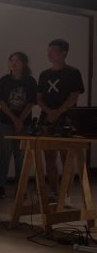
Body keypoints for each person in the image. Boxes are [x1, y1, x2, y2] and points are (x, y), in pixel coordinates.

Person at [37, 39, 84, 198]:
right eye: (48, 49)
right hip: (47, 119)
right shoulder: (44, 74)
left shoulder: (73, 72)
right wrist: (49, 111)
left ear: (64, 52)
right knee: (49, 157)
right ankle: (53, 191)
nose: (49, 53)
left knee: (67, 157)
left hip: (67, 119)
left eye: (53, 50)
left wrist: (58, 111)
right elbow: (39, 97)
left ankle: (66, 193)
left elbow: (74, 96)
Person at [0, 52, 37, 199]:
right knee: (5, 154)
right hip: (5, 122)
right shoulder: (4, 80)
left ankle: (21, 187)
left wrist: (21, 119)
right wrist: (15, 119)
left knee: (21, 156)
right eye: (11, 60)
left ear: (24, 64)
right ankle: (1, 186)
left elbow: (31, 102)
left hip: (25, 123)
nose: (13, 63)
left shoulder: (30, 81)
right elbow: (1, 101)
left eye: (17, 60)